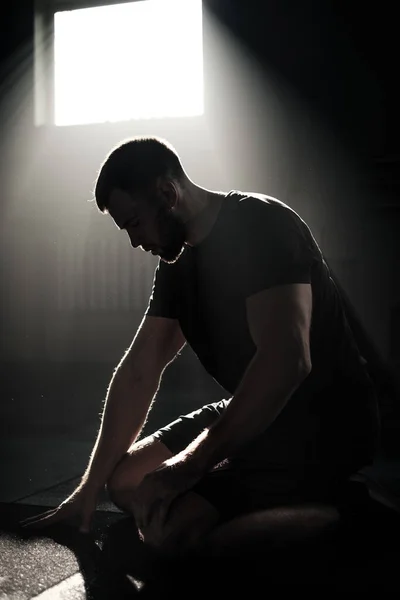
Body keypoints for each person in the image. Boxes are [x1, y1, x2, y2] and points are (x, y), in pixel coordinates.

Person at [23, 136, 380, 557]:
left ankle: (345, 511)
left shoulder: (262, 224)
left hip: (322, 423)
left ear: (167, 194)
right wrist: (86, 492)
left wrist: (190, 466)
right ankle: (244, 497)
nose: (135, 242)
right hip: (253, 414)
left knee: (178, 537)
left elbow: (288, 361)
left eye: (135, 223)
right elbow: (140, 370)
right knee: (125, 484)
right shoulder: (178, 264)